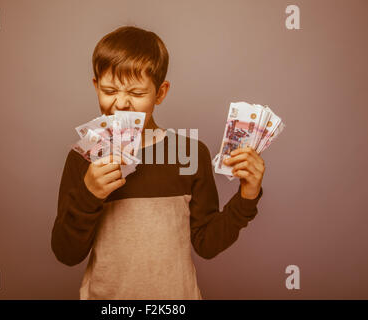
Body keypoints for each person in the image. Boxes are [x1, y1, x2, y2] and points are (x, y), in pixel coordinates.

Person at [51, 26, 265, 299]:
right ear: (95, 86)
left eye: (137, 94)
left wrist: (248, 196)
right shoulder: (83, 157)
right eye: (109, 90)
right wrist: (89, 194)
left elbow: (207, 245)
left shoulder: (189, 153)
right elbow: (66, 253)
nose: (121, 104)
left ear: (160, 93)